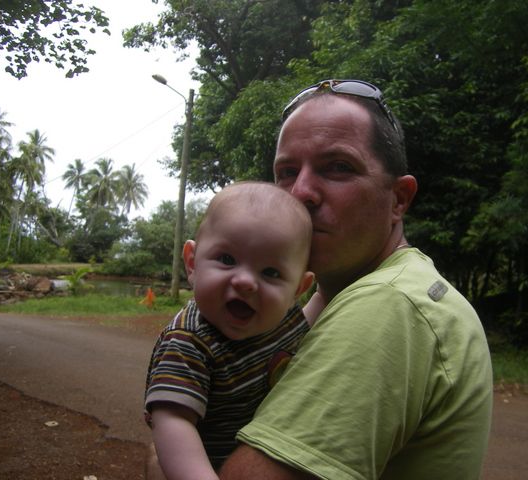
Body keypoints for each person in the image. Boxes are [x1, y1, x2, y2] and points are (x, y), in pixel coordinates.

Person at [216, 80, 494, 479]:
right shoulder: (340, 294)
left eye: (338, 168)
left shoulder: (389, 303)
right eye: (287, 171)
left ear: (398, 199)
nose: (301, 192)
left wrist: (162, 457)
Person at [144, 182, 316, 480]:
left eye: (271, 272)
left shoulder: (286, 317)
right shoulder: (189, 342)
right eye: (227, 260)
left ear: (298, 289)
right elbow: (173, 423)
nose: (246, 281)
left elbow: (318, 313)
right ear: (192, 262)